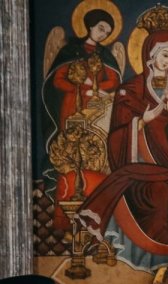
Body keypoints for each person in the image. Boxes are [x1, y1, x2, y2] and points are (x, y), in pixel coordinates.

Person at [76, 16, 168, 284]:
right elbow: (118, 136)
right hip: (141, 169)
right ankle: (162, 265)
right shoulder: (129, 91)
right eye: (165, 55)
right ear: (151, 57)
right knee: (162, 193)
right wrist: (145, 119)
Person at [41, 8, 124, 215]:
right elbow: (58, 80)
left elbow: (113, 80)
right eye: (101, 28)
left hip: (98, 110)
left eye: (106, 32)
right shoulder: (71, 51)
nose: (103, 34)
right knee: (72, 149)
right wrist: (82, 86)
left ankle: (96, 200)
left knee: (96, 152)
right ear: (90, 26)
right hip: (72, 107)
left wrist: (97, 88)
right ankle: (69, 200)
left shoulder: (104, 54)